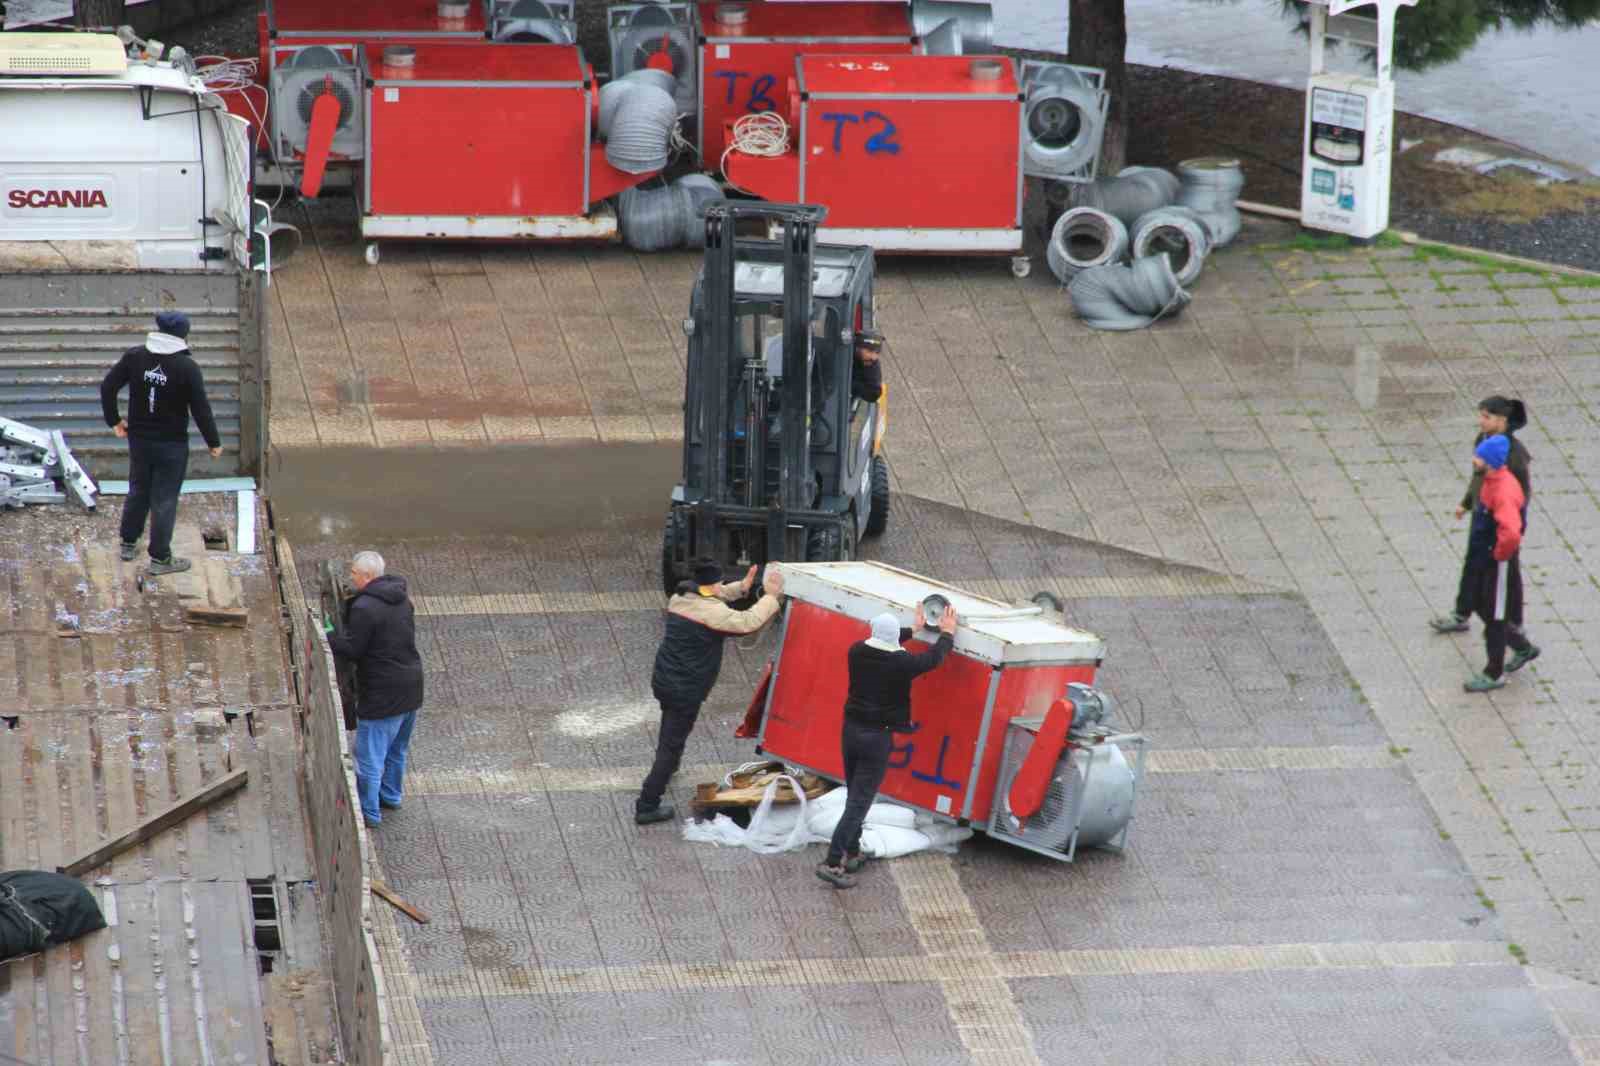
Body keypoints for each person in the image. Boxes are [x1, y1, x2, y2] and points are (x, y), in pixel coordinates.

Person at [817, 602, 957, 889]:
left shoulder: (856, 651)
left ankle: (853, 851)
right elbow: (933, 659)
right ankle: (832, 862)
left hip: (851, 731)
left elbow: (885, 641)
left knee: (854, 794)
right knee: (859, 802)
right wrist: (947, 633)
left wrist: (914, 629)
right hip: (877, 738)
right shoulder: (901, 663)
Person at [637, 558, 785, 824]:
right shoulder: (712, 614)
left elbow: (714, 595)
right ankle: (647, 804)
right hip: (686, 688)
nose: (721, 586)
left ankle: (670, 766)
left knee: (670, 729)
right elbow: (747, 622)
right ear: (711, 584)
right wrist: (771, 597)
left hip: (665, 679)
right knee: (670, 743)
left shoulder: (680, 597)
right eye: (719, 582)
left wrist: (741, 587)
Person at [99, 310, 223, 574]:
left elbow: (108, 386)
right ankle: (160, 559)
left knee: (138, 489)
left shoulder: (135, 357)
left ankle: (128, 543)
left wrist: (115, 421)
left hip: (140, 441)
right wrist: (213, 442)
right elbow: (200, 409)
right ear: (183, 336)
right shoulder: (187, 368)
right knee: (164, 499)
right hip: (172, 445)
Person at [326, 551, 425, 827]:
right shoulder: (403, 599)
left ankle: (368, 812)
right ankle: (391, 796)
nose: (351, 577)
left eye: (354, 573)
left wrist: (330, 634)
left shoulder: (365, 607)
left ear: (367, 576)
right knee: (397, 749)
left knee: (369, 756)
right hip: (412, 686)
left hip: (382, 693)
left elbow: (353, 649)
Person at [1432, 395, 1531, 634]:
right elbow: (1479, 476)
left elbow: (1521, 495)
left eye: (1487, 417)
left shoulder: (1514, 455)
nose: (1481, 421)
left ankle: (1514, 623)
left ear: (1502, 420)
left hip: (1503, 521)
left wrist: (1515, 529)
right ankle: (1462, 613)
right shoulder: (1484, 440)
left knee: (1508, 572)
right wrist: (1467, 503)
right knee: (1472, 563)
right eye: (1481, 415)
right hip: (1483, 514)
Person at [1461, 435, 1539, 692]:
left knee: (1495, 615)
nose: (1475, 460)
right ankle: (1521, 645)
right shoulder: (1489, 479)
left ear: (1491, 462)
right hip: (1486, 557)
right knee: (1477, 602)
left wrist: (1499, 554)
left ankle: (1493, 673)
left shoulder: (1504, 490)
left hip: (1497, 561)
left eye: (1479, 457)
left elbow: (1512, 532)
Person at [851, 329, 884, 403]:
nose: (873, 357)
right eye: (870, 351)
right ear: (857, 348)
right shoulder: (842, 355)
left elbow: (874, 393)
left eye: (877, 352)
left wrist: (852, 385)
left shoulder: (871, 363)